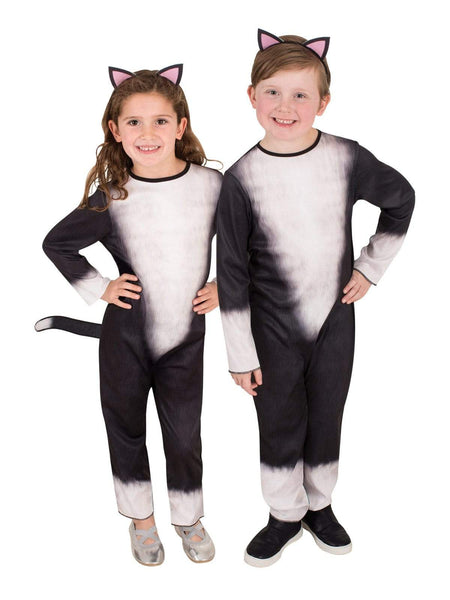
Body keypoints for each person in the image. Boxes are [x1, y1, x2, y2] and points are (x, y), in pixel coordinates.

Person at [217, 29, 415, 567]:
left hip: (335, 320)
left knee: (328, 414)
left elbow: (401, 199)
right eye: (273, 92)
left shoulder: (347, 157)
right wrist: (240, 353)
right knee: (279, 418)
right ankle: (284, 513)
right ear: (252, 96)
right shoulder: (240, 179)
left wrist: (370, 267)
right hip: (270, 327)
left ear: (323, 102)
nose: (286, 107)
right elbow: (230, 271)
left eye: (301, 95)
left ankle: (320, 506)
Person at [42, 64, 222, 566]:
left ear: (180, 126)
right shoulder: (114, 195)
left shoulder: (212, 186)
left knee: (184, 435)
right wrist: (101, 286)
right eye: (134, 122)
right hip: (124, 336)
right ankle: (141, 521)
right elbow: (57, 243)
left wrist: (228, 286)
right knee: (125, 427)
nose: (148, 133)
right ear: (115, 130)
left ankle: (188, 518)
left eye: (160, 121)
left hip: (185, 339)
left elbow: (252, 242)